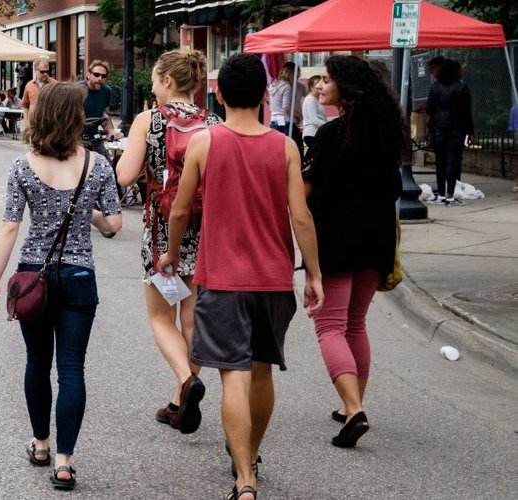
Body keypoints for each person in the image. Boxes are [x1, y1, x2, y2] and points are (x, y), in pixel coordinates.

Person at [157, 53, 324, 500]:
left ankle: (245, 480)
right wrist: (313, 274)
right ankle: (249, 455)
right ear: (266, 95)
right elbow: (301, 217)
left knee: (233, 374)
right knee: (262, 371)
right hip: (272, 280)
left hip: (222, 280)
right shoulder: (285, 147)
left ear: (218, 93)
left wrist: (172, 254)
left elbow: (180, 208)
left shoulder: (204, 144)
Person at [0, 82, 123, 492]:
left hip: (33, 278)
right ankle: (64, 462)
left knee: (36, 363)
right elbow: (114, 224)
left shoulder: (22, 167)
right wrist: (89, 214)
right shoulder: (96, 165)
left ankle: (41, 444)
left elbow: (10, 226)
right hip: (79, 277)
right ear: (77, 120)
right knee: (73, 369)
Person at [114, 48, 220, 434]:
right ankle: (180, 400)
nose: (154, 89)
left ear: (168, 82)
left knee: (161, 316)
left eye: (155, 82)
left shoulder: (149, 120)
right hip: (204, 229)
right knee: (192, 316)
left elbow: (124, 176)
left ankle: (186, 381)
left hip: (162, 229)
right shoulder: (214, 121)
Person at [302, 55, 405, 449]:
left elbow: (305, 191)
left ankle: (354, 409)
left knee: (329, 326)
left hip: (337, 241)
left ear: (348, 88)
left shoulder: (331, 135)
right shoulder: (385, 136)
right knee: (356, 324)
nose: (320, 85)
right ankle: (352, 405)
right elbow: (394, 190)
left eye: (328, 80)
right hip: (376, 240)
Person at [426, 58, 474, 205]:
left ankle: (440, 194)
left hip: (439, 128)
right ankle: (450, 195)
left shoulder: (434, 87)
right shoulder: (462, 87)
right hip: (456, 128)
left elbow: (429, 109)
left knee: (440, 161)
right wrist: (470, 131)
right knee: (452, 161)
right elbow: (467, 112)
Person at [268, 62, 307, 149]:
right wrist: (298, 115)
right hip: (287, 122)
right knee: (295, 148)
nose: (297, 78)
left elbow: (270, 104)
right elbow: (286, 108)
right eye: (297, 75)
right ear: (293, 73)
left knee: (278, 149)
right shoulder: (287, 86)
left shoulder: (273, 84)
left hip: (274, 121)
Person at [83, 60, 123, 142]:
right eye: (96, 75)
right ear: (88, 75)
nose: (100, 78)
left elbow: (105, 115)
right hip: (75, 136)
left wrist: (111, 131)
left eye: (103, 76)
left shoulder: (107, 91)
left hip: (94, 135)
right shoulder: (78, 90)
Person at [301, 75, 328, 152]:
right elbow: (314, 120)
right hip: (312, 133)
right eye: (317, 83)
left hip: (316, 132)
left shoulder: (316, 99)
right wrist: (327, 125)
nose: (320, 85)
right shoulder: (310, 100)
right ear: (311, 87)